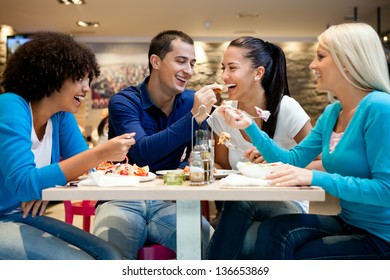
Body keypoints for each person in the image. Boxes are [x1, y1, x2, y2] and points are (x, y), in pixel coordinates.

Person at [217, 22, 390, 259]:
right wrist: (249, 126)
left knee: (299, 255)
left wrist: (314, 176)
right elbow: (292, 159)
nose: (312, 65)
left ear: (347, 62)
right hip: (349, 221)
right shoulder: (333, 113)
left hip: (381, 237)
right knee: (273, 230)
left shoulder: (380, 108)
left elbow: (386, 191)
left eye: (320, 56)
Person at [0, 31, 135, 260]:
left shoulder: (60, 117)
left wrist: (40, 184)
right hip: (4, 216)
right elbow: (24, 184)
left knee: (112, 256)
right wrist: (100, 153)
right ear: (53, 74)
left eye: (88, 80)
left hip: (22, 214)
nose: (86, 89)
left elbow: (86, 170)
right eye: (79, 78)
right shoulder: (10, 105)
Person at [93, 30, 219, 259]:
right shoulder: (125, 101)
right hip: (122, 198)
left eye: (191, 63)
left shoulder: (192, 101)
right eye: (181, 61)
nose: (188, 71)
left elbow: (198, 155)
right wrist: (194, 118)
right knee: (108, 256)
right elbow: (141, 153)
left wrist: (182, 172)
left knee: (211, 244)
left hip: (168, 200)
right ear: (156, 61)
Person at [206, 36, 322, 259]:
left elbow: (321, 162)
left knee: (239, 212)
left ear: (258, 73)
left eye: (232, 68)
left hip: (287, 203)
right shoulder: (223, 115)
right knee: (239, 227)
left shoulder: (286, 108)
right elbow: (220, 165)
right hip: (238, 205)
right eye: (223, 68)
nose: (223, 76)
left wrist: (276, 162)